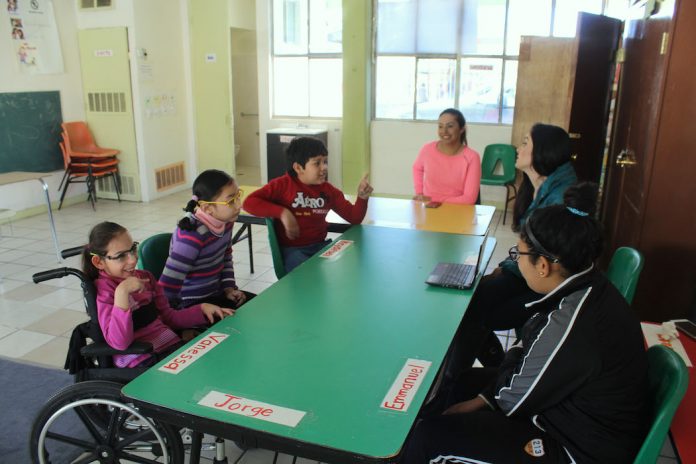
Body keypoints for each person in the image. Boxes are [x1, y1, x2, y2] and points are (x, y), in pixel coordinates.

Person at [402, 183, 648, 464]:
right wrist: (497, 380)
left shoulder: (572, 321)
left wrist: (491, 389)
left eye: (518, 255)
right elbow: (528, 352)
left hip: (576, 447)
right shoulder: (584, 284)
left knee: (430, 439)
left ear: (543, 265)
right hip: (568, 409)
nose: (516, 261)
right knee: (464, 382)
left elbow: (515, 398)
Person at [454, 123, 578, 369]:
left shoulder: (560, 198)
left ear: (543, 151)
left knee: (478, 310)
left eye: (525, 143)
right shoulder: (539, 186)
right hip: (529, 272)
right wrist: (506, 266)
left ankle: (474, 373)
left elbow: (545, 259)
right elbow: (527, 247)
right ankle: (488, 368)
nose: (517, 150)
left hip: (549, 282)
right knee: (471, 298)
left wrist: (507, 268)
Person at [83, 221, 233, 368]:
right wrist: (122, 293)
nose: (133, 259)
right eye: (121, 256)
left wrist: (202, 309)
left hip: (169, 347)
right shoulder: (104, 291)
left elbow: (169, 318)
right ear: (99, 262)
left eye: (133, 249)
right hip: (140, 360)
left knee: (220, 361)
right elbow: (120, 343)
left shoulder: (146, 277)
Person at [243, 136, 373, 272]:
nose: (324, 167)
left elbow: (354, 217)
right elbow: (249, 202)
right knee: (307, 275)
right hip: (294, 251)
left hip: (321, 247)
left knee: (349, 268)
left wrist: (362, 198)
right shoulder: (282, 185)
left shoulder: (329, 191)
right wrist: (283, 213)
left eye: (325, 161)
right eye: (317, 163)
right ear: (298, 167)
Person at [159, 169, 255, 310]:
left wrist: (229, 288)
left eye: (238, 196)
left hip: (216, 295)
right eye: (231, 201)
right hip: (191, 304)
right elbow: (167, 287)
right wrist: (181, 319)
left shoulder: (226, 222)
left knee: (259, 306)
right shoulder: (191, 237)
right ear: (207, 208)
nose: (239, 205)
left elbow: (226, 256)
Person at [412, 108, 481, 205]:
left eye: (450, 126)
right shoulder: (427, 149)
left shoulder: (472, 157)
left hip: (458, 209)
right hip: (430, 208)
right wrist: (419, 193)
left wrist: (432, 199)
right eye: (440, 126)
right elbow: (417, 168)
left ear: (462, 129)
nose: (444, 131)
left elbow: (469, 199)